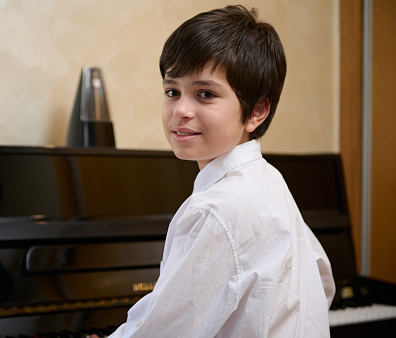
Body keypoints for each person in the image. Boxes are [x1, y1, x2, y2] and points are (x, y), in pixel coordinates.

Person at [108, 5, 335, 337]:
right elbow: (323, 282)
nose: (181, 110)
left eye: (205, 94)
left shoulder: (215, 209)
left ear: (256, 111)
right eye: (173, 91)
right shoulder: (270, 180)